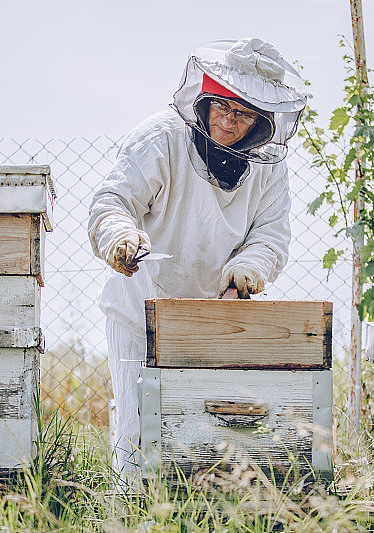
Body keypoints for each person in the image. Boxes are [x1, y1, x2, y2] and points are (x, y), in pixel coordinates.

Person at [87, 38, 307, 490]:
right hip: (138, 312)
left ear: (264, 122)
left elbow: (271, 236)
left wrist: (246, 274)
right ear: (204, 97)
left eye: (243, 114)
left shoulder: (269, 167)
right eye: (221, 106)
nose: (228, 121)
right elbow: (112, 202)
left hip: (213, 319)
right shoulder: (160, 138)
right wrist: (120, 237)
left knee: (205, 432)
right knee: (136, 421)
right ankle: (130, 511)